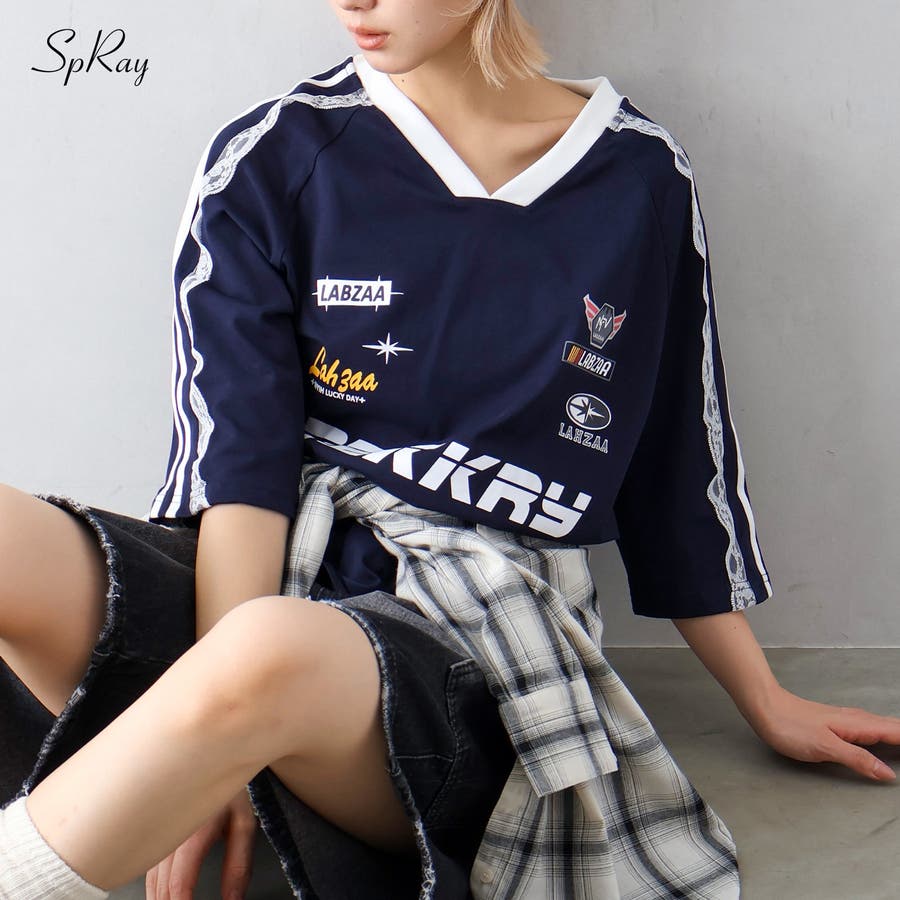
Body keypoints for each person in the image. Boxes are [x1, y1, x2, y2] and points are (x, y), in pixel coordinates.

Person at [2, 1, 900, 898]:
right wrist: (212, 734)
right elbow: (243, 461)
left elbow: (674, 459)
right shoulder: (276, 151)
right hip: (261, 578)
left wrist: (765, 699)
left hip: (464, 646)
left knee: (267, 647)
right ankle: (177, 757)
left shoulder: (636, 174)